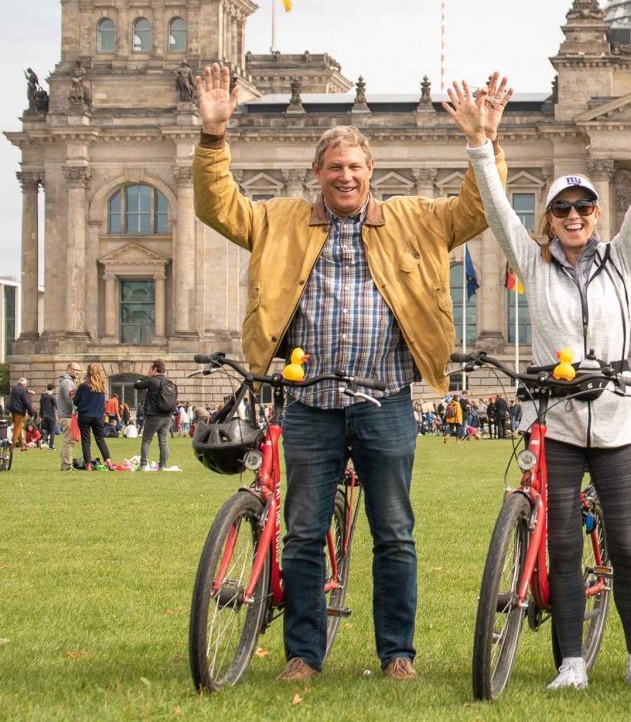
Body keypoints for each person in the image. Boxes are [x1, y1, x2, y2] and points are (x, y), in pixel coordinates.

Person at [193, 62, 498, 683]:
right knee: (303, 533)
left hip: (384, 397)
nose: (346, 177)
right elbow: (218, 207)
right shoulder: (280, 221)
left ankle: (397, 655)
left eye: (356, 168)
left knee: (395, 533)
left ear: (371, 174)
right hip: (309, 403)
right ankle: (304, 654)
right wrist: (213, 135)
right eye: (335, 168)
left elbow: (476, 211)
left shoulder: (415, 218)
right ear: (318, 175)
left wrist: (480, 142)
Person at [448, 68, 631, 692]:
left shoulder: (621, 256)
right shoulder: (529, 259)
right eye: (563, 209)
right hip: (552, 419)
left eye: (583, 207)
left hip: (614, 417)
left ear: (595, 214)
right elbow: (499, 210)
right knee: (561, 546)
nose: (575, 216)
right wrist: (482, 142)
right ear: (549, 219)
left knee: (627, 545)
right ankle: (572, 662)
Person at [135, 359, 175, 470]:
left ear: (155, 369)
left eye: (150, 368)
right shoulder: (170, 383)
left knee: (147, 440)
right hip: (167, 416)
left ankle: (143, 464)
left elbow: (137, 384)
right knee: (163, 441)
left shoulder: (152, 381)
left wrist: (148, 376)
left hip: (154, 415)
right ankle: (162, 465)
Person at [75, 363, 112, 468]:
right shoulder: (102, 387)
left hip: (84, 416)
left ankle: (88, 464)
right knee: (100, 439)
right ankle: (108, 461)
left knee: (86, 441)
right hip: (98, 416)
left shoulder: (83, 386)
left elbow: (76, 401)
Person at [56, 362, 80, 471]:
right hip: (67, 415)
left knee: (67, 440)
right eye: (76, 370)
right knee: (69, 441)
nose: (78, 372)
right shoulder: (67, 382)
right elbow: (70, 399)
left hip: (65, 415)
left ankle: (65, 464)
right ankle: (66, 466)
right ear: (69, 369)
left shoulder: (66, 381)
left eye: (79, 370)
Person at [7, 376, 34, 451]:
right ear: (25, 383)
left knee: (17, 427)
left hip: (12, 410)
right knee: (17, 428)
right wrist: (31, 412)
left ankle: (23, 445)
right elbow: (27, 402)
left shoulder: (14, 388)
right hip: (19, 411)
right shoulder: (23, 389)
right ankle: (12, 446)